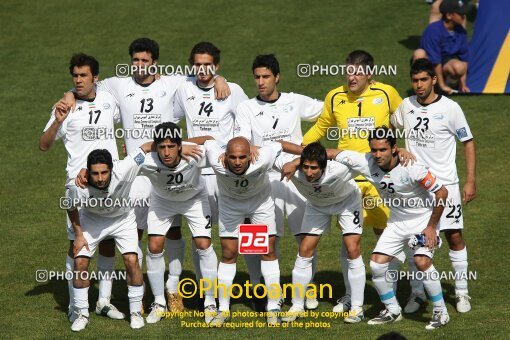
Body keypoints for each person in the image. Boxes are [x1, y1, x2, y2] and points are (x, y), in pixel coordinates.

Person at [61, 38, 230, 313]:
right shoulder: (117, 84)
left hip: (168, 164)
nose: (139, 65)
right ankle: (137, 298)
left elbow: (203, 73)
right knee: (135, 235)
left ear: (154, 62)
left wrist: (220, 78)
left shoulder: (173, 83)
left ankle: (172, 291)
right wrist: (70, 94)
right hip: (136, 171)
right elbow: (87, 85)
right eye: (135, 60)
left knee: (174, 231)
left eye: (144, 60)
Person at [302, 50, 403, 313]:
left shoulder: (386, 94)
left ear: (370, 74)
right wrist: (301, 148)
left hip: (380, 178)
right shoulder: (336, 96)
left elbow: (407, 119)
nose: (352, 77)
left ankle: (389, 295)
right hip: (348, 179)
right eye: (349, 71)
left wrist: (404, 149)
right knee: (350, 242)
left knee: (386, 235)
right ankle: (349, 294)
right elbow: (322, 126)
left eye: (358, 72)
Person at [333, 127, 451, 330]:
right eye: (374, 150)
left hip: (422, 222)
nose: (377, 155)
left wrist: (431, 227)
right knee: (377, 265)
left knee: (421, 261)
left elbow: (442, 192)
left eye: (383, 150)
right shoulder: (366, 162)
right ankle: (392, 310)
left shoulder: (412, 166)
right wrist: (296, 159)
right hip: (396, 223)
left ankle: (441, 312)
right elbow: (332, 153)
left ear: (394, 148)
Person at [39, 53, 124, 323]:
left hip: (110, 184)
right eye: (74, 76)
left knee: (109, 242)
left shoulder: (110, 98)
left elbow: (131, 119)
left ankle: (104, 302)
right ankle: (77, 308)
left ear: (95, 78)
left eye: (83, 75)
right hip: (78, 186)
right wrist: (58, 120)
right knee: (76, 246)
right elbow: (44, 144)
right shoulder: (66, 107)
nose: (78, 80)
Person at [235, 54, 323, 309]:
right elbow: (242, 142)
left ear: (277, 77)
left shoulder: (294, 101)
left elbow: (328, 111)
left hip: (296, 178)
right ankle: (257, 286)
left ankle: (308, 289)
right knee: (257, 237)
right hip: (262, 180)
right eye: (257, 77)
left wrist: (308, 146)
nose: (260, 82)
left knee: (304, 236)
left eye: (266, 77)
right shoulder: (246, 108)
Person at [391, 58, 476, 313]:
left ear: (434, 80)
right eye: (415, 80)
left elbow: (468, 142)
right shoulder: (406, 106)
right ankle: (417, 295)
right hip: (416, 188)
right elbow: (388, 127)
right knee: (413, 242)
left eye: (423, 80)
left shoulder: (451, 109)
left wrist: (470, 180)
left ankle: (462, 293)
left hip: (446, 186)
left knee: (454, 236)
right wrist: (397, 148)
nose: (418, 85)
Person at [173, 42, 248, 292]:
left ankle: (258, 287)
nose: (203, 69)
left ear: (217, 65)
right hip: (197, 176)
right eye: (198, 64)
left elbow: (248, 123)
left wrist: (221, 79)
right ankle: (208, 291)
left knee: (246, 234)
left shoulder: (233, 90)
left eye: (208, 65)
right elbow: (170, 123)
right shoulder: (183, 88)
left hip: (229, 174)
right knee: (201, 239)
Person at [204, 137, 302, 326]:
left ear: (250, 155)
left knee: (268, 251)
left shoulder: (263, 157)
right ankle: (223, 309)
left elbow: (280, 144)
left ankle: (273, 307)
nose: (238, 162)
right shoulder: (216, 159)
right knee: (229, 253)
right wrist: (181, 146)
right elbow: (208, 140)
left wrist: (304, 154)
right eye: (232, 157)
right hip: (230, 207)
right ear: (225, 156)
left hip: (260, 206)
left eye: (242, 157)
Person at [66, 143, 153, 331]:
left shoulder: (125, 168)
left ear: (112, 170)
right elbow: (70, 206)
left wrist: (181, 146)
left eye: (104, 173)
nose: (99, 178)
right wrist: (79, 235)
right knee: (80, 262)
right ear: (87, 172)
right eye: (94, 173)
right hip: (92, 221)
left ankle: (136, 312)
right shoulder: (78, 186)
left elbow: (146, 147)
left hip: (122, 220)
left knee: (132, 260)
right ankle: (82, 313)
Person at [139, 122, 219, 324]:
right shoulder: (147, 160)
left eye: (172, 146)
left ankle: (210, 302)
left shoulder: (196, 155)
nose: (166, 152)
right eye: (162, 147)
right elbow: (121, 165)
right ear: (156, 147)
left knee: (204, 244)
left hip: (194, 200)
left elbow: (212, 141)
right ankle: (159, 302)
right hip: (162, 202)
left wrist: (189, 144)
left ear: (180, 146)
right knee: (154, 245)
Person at [276, 143, 365, 323]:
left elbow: (373, 160)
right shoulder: (290, 165)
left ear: (325, 166)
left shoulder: (340, 169)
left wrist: (400, 151)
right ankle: (297, 305)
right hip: (316, 205)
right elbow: (268, 151)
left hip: (347, 203)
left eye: (314, 168)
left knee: (352, 248)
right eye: (305, 167)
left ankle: (356, 307)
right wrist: (252, 149)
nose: (309, 173)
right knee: (305, 249)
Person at [413, 0, 471, 94]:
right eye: (460, 13)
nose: (463, 16)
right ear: (449, 15)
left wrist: (463, 84)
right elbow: (435, 61)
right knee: (419, 54)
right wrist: (441, 85)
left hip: (446, 63)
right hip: (430, 63)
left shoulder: (461, 31)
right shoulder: (433, 30)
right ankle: (421, 87)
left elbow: (465, 59)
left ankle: (450, 83)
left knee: (459, 67)